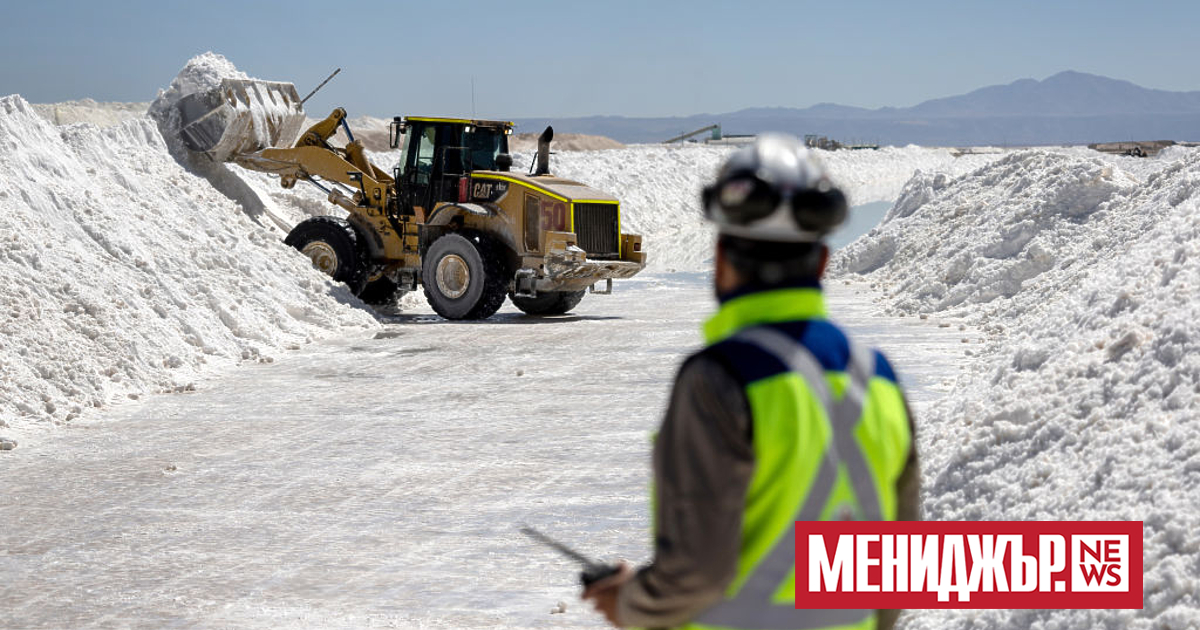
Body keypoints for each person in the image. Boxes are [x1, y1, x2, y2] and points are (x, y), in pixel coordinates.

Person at [582, 134, 920, 630]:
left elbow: (698, 574)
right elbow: (896, 570)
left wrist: (630, 602)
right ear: (822, 263)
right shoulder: (880, 378)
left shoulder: (717, 381)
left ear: (720, 261)